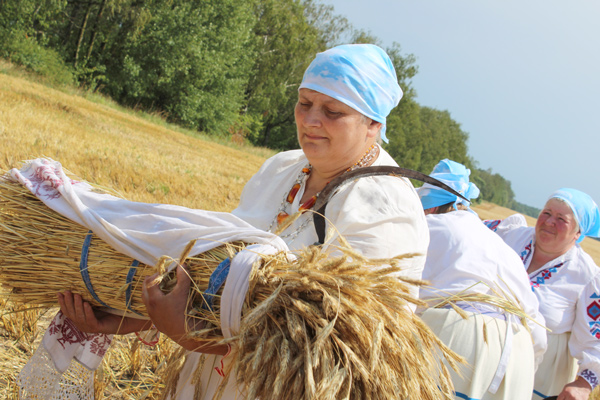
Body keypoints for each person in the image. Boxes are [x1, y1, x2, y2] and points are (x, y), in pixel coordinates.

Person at [57, 44, 430, 399]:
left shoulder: (384, 206)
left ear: (372, 124)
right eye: (304, 103)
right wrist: (135, 316)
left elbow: (346, 348)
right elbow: (213, 276)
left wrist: (193, 335)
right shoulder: (283, 169)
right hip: (213, 380)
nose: (311, 120)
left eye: (332, 111)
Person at [417, 159, 547, 400]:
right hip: (519, 351)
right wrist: (527, 367)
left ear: (432, 207)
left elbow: (404, 293)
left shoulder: (430, 226)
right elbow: (537, 329)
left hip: (460, 336)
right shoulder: (502, 246)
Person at [486, 188, 600, 400]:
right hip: (482, 355)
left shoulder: (587, 277)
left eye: (561, 219)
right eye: (546, 213)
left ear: (578, 233)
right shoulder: (509, 236)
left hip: (537, 377)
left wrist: (583, 384)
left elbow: (596, 340)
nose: (549, 222)